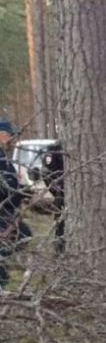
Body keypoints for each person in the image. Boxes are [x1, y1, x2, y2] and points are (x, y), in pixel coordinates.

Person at [0, 119, 31, 289]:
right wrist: (16, 193)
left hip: (8, 210)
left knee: (25, 235)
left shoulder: (3, 156)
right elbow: (5, 186)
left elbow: (11, 182)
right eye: (8, 135)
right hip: (3, 210)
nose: (11, 138)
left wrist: (22, 191)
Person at [42, 142, 65, 256]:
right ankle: (60, 254)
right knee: (61, 227)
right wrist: (57, 191)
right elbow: (46, 175)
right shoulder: (54, 149)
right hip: (62, 196)